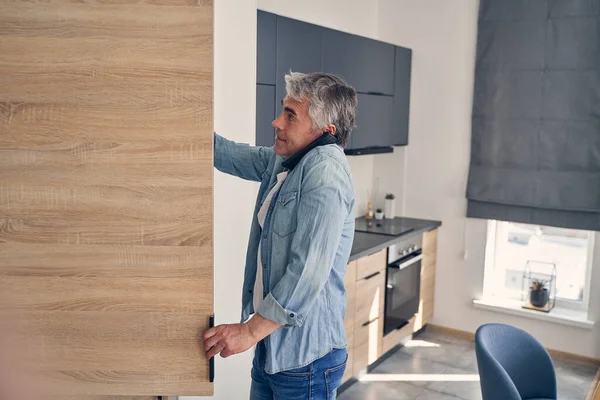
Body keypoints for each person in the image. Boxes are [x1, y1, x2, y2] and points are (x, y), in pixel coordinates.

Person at [204, 72, 358, 399]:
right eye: (282, 110)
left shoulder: (326, 175)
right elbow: (228, 154)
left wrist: (248, 331)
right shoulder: (285, 160)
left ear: (324, 131)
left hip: (307, 360)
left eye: (290, 116)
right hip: (271, 344)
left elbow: (307, 272)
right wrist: (177, 120)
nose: (276, 122)